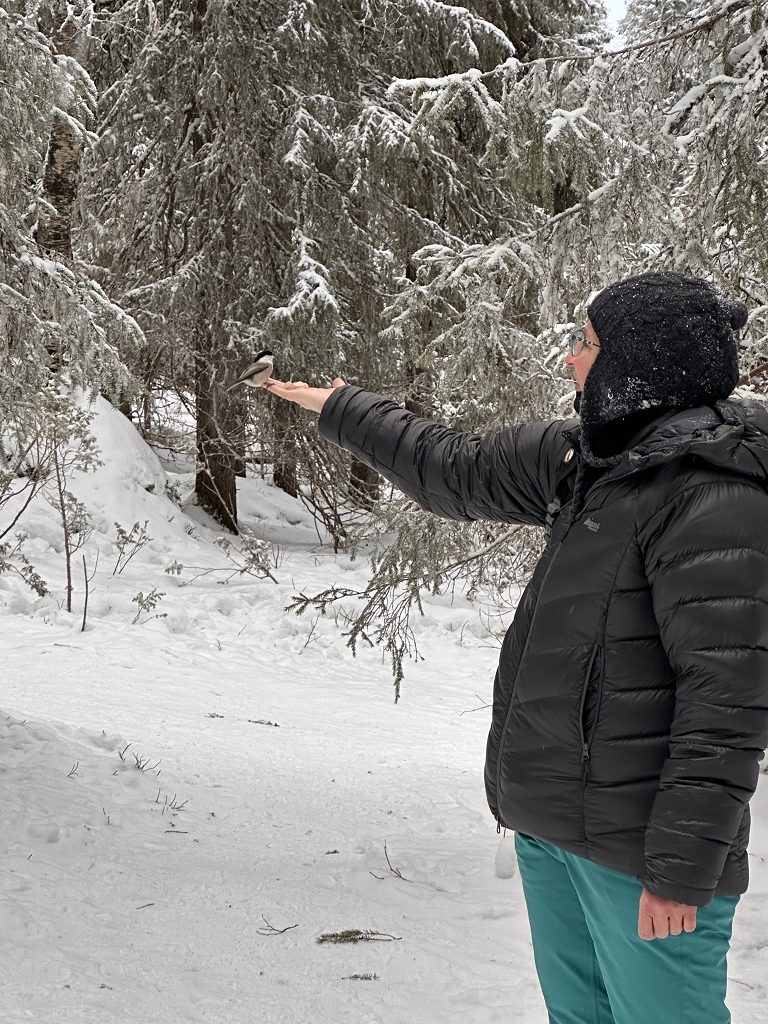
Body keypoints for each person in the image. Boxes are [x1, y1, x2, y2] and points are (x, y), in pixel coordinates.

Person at [265, 271, 768, 1024]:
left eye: (587, 344)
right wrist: (339, 407)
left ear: (640, 364)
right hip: (553, 828)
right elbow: (454, 468)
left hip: (643, 858)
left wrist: (681, 868)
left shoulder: (713, 492)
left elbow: (727, 703)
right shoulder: (589, 459)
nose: (570, 358)